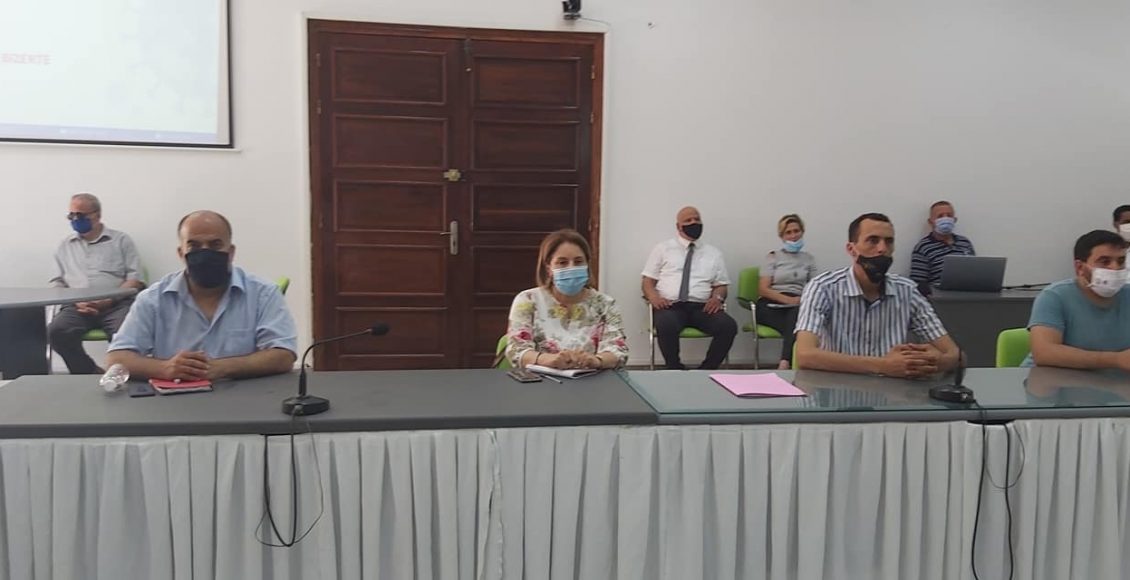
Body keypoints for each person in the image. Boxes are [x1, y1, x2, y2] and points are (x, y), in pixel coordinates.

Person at [107, 211, 297, 380]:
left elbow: (283, 355)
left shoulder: (263, 294)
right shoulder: (153, 299)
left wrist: (223, 368)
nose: (205, 252)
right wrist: (164, 368)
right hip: (175, 400)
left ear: (231, 252)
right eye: (194, 246)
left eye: (215, 245)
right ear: (181, 253)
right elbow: (116, 358)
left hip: (245, 399)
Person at [795, 212, 960, 377]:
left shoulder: (908, 291)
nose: (882, 249)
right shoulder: (822, 288)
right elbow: (805, 355)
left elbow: (955, 354)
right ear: (852, 249)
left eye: (889, 241)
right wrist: (884, 366)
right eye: (872, 241)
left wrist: (931, 362)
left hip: (892, 389)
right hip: (837, 388)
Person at [47, 193, 145, 374]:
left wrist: (108, 300)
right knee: (57, 331)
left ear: (97, 215)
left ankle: (123, 377)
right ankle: (89, 372)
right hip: (76, 306)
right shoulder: (64, 246)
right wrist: (76, 301)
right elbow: (56, 283)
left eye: (80, 215)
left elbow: (135, 279)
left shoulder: (121, 241)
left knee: (126, 334)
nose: (75, 220)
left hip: (116, 305)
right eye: (71, 215)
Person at [506, 229, 628, 369]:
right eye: (562, 262)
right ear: (549, 268)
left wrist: (596, 360)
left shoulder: (606, 304)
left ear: (587, 265)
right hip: (540, 379)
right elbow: (516, 351)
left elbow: (618, 352)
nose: (571, 267)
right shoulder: (527, 300)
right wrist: (547, 360)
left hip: (591, 378)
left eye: (578, 262)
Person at [642, 206, 737, 370]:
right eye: (688, 220)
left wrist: (717, 298)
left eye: (697, 219)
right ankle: (674, 369)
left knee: (728, 326)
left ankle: (706, 369)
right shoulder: (663, 249)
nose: (694, 223)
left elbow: (721, 285)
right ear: (678, 226)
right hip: (670, 306)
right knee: (666, 324)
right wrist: (654, 297)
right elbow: (647, 281)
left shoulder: (713, 253)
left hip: (702, 308)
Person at [1025, 230, 1130, 369]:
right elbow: (1044, 353)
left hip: (1111, 380)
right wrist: (1116, 360)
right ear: (1080, 267)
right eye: (1104, 261)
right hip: (1050, 378)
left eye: (1121, 261)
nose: (1115, 268)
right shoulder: (1054, 296)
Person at [758, 214, 818, 369]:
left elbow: (814, 286)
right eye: (788, 232)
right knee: (798, 325)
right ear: (782, 236)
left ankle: (784, 362)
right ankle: (788, 362)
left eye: (796, 231)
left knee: (795, 317)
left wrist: (801, 301)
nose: (793, 236)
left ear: (802, 232)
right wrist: (788, 301)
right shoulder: (773, 257)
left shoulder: (809, 259)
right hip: (771, 304)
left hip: (797, 304)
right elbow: (763, 289)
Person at [909, 200, 976, 295]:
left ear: (955, 219)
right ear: (930, 222)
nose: (946, 219)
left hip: (969, 296)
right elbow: (918, 284)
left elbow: (974, 272)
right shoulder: (922, 248)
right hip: (939, 299)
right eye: (940, 216)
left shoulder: (965, 243)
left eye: (949, 215)